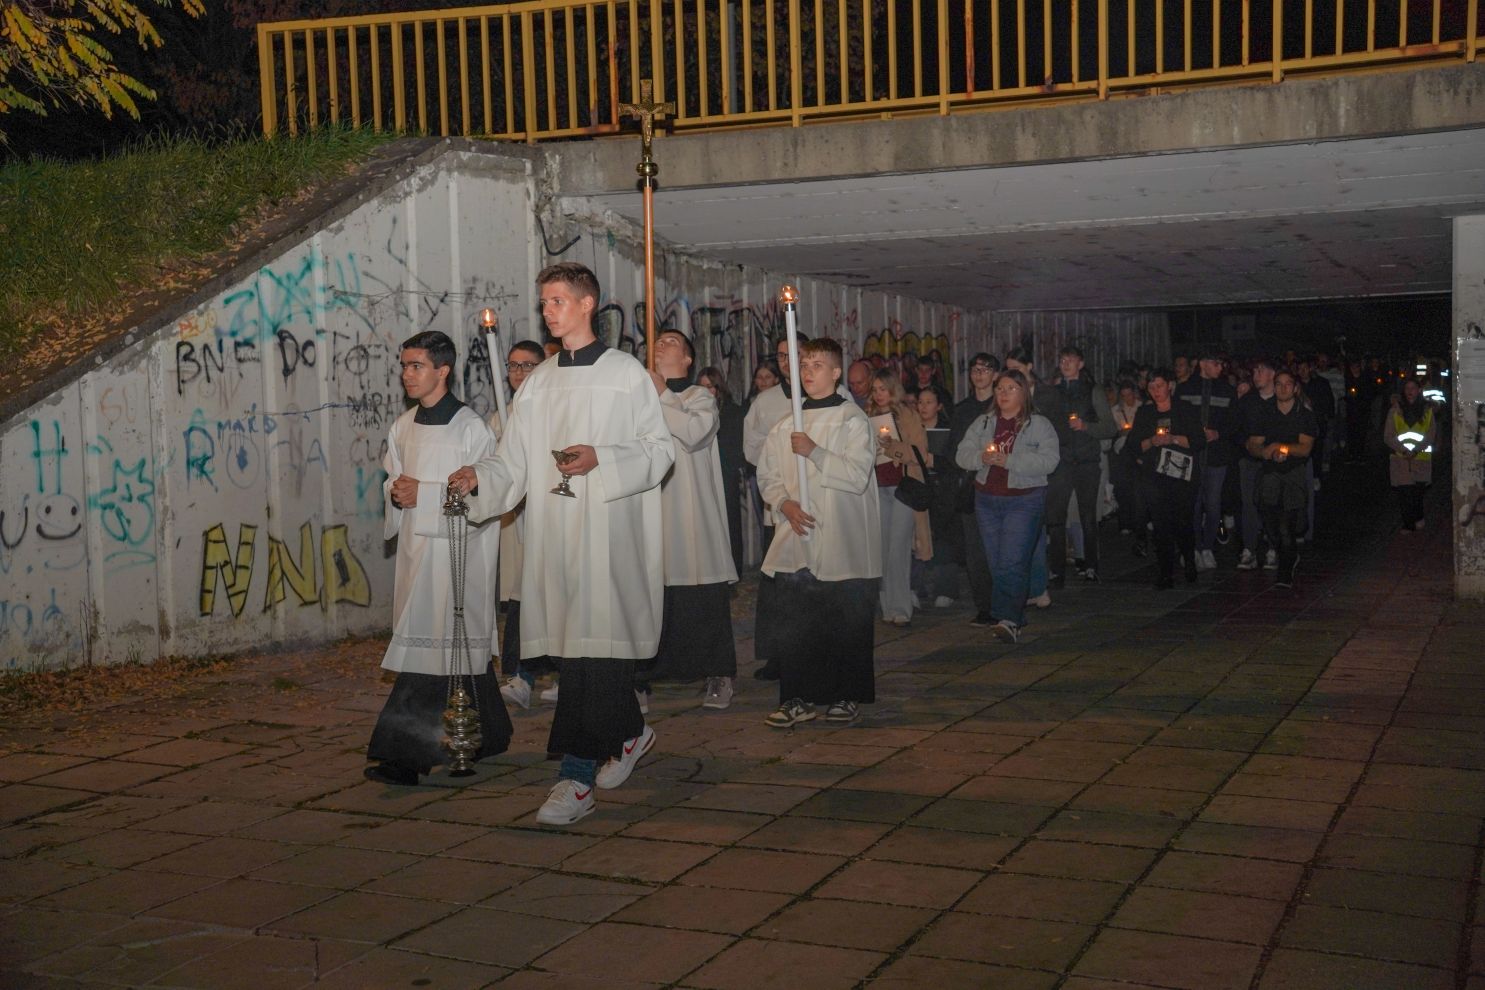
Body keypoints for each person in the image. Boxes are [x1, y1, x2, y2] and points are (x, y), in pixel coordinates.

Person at [448, 262, 674, 826]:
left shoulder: (626, 375)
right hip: (555, 533)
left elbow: (660, 450)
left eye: (556, 301)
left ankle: (574, 780)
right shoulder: (541, 382)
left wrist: (606, 457)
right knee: (585, 653)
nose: (547, 310)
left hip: (608, 534)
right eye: (544, 301)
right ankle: (631, 731)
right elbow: (514, 461)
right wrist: (482, 477)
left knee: (591, 656)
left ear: (586, 304)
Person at [366, 331, 512, 786]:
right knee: (456, 654)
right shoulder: (402, 426)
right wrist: (396, 491)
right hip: (416, 550)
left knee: (431, 653)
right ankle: (489, 733)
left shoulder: (471, 428)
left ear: (442, 370)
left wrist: (424, 494)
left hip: (457, 554)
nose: (407, 374)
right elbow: (391, 480)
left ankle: (403, 756)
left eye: (416, 366)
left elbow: (484, 495)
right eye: (404, 365)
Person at [756, 337, 881, 727]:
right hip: (797, 533)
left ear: (836, 371)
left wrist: (815, 451)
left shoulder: (852, 420)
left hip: (843, 536)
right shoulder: (784, 425)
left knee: (843, 620)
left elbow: (857, 476)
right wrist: (784, 504)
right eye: (803, 366)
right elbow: (768, 476)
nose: (807, 373)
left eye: (816, 366)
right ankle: (796, 697)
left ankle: (844, 694)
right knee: (796, 623)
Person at [639, 332, 740, 710]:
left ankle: (718, 674)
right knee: (651, 600)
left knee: (702, 598)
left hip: (692, 511)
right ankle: (642, 679)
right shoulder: (639, 398)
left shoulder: (700, 397)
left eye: (672, 342)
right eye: (658, 340)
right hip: (651, 509)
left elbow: (694, 434)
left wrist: (661, 394)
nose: (661, 344)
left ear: (688, 359)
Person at [955, 369, 1060, 643]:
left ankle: (1010, 619)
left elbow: (1049, 461)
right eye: (1000, 388)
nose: (1003, 394)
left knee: (1012, 560)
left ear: (1024, 392)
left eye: (1011, 388)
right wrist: (982, 457)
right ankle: (1007, 614)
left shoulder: (1039, 425)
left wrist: (1010, 460)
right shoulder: (984, 422)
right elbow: (961, 454)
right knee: (996, 562)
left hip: (1024, 499)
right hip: (987, 499)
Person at [495, 340, 557, 709]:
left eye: (527, 366)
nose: (518, 373)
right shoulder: (500, 415)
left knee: (556, 600)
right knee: (524, 601)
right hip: (519, 523)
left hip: (550, 515)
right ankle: (522, 676)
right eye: (513, 365)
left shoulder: (549, 411)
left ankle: (565, 674)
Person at [1040, 346, 1117, 584]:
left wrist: (1086, 427)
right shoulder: (1053, 392)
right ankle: (1057, 570)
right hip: (1061, 460)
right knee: (1056, 516)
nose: (1066, 364)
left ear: (1080, 364)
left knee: (1087, 515)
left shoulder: (1092, 391)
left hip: (1086, 460)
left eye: (1070, 360)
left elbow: (1110, 428)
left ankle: (1091, 565)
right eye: (1062, 360)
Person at [865, 369, 933, 626]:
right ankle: (886, 606)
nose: (879, 394)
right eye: (875, 389)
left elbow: (919, 453)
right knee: (881, 550)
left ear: (894, 389)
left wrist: (891, 446)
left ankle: (901, 606)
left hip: (903, 489)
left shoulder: (908, 415)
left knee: (898, 549)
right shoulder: (867, 416)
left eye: (883, 389)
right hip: (877, 488)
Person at [1129, 368, 1206, 589]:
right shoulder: (1145, 413)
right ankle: (1166, 572)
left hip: (1182, 474)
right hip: (1155, 476)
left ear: (1170, 386)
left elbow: (1199, 441)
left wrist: (1174, 439)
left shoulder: (1185, 409)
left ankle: (1189, 560)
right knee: (1161, 525)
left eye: (1160, 386)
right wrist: (1152, 441)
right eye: (1151, 387)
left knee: (1183, 521)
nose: (1156, 391)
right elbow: (1134, 446)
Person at [1245, 370, 1317, 589]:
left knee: (1287, 523)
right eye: (1279, 384)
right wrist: (1265, 451)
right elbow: (1253, 443)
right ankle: (1285, 551)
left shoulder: (1304, 415)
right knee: (1269, 519)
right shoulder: (1264, 412)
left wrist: (1282, 447)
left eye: (1288, 384)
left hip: (1293, 473)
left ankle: (1285, 569)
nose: (1283, 388)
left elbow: (1305, 448)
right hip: (1269, 473)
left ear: (1295, 387)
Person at [1175, 350, 1240, 572]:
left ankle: (1207, 547)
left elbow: (1234, 423)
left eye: (1221, 364)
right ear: (1203, 363)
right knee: (1191, 505)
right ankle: (1192, 548)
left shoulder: (1227, 391)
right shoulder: (1184, 389)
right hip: (1191, 456)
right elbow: (1178, 420)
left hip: (1216, 456)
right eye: (1216, 363)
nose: (1220, 368)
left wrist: (1218, 433)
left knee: (1213, 505)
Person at [947, 353, 999, 625]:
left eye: (985, 369)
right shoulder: (963, 409)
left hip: (999, 482)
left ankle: (1005, 600)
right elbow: (954, 448)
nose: (979, 374)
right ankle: (985, 606)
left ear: (995, 374)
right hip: (971, 484)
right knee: (975, 549)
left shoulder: (1002, 406)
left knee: (999, 546)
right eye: (975, 369)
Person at [914, 385, 959, 608]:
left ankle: (946, 588)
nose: (923, 407)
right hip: (919, 489)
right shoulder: (912, 429)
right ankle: (916, 587)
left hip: (942, 491)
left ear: (939, 406)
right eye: (920, 402)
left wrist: (934, 460)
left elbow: (954, 462)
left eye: (929, 402)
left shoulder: (948, 430)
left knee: (943, 539)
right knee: (918, 539)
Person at [698, 365, 746, 574]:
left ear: (719, 387)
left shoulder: (732, 412)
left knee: (730, 523)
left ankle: (734, 570)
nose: (706, 392)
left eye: (710, 387)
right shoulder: (694, 412)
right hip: (703, 475)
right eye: (701, 387)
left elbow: (736, 448)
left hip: (726, 475)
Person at [1234, 358, 1277, 571]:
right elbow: (1236, 427)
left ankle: (1273, 547)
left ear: (1272, 374)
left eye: (1261, 370)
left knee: (1271, 503)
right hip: (1249, 460)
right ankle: (1249, 549)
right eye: (1255, 371)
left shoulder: (1281, 399)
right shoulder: (1248, 401)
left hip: (1273, 462)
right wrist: (1246, 444)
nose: (1256, 375)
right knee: (1249, 504)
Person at [1385, 378, 1437, 532]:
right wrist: (1403, 449)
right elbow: (1388, 436)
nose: (1410, 391)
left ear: (1418, 390)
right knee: (1405, 494)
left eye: (1413, 388)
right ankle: (1408, 524)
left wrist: (1416, 450)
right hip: (1401, 460)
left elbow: (1431, 434)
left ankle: (1418, 516)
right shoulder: (1394, 411)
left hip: (1421, 459)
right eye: (1407, 388)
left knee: (1417, 494)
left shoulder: (1427, 411)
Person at [1109, 379, 1145, 546]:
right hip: (1122, 451)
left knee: (1138, 487)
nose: (1127, 399)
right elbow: (1113, 430)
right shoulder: (1116, 410)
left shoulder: (1142, 407)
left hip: (1138, 449)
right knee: (1123, 487)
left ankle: (1141, 523)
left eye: (1129, 395)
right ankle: (1125, 522)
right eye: (1123, 396)